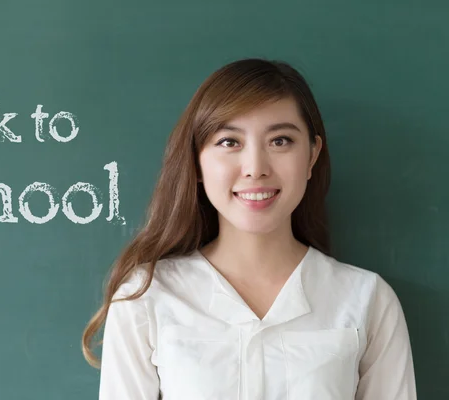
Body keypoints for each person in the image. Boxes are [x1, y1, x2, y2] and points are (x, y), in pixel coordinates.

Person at [82, 58, 417, 400]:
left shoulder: (367, 300)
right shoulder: (146, 297)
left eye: (281, 141)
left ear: (312, 156)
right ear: (196, 161)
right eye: (229, 142)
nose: (255, 168)